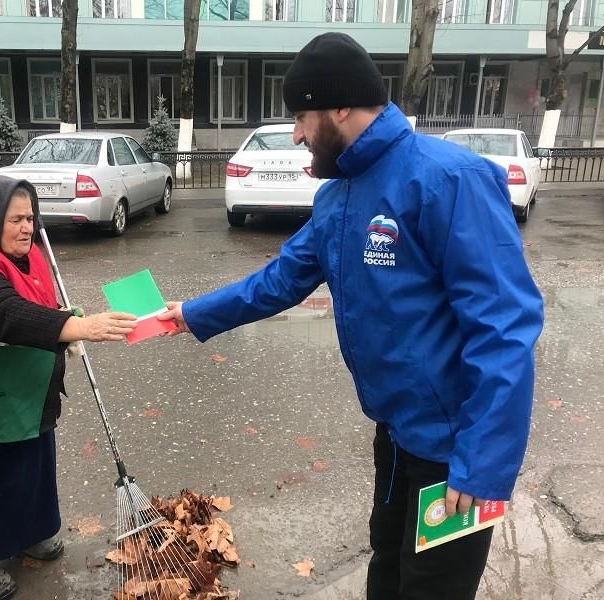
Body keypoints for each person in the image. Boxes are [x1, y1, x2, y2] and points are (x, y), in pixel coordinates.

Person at [158, 33, 544, 600]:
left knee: (432, 590)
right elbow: (281, 279)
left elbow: (505, 327)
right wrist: (192, 313)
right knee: (386, 565)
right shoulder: (339, 198)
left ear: (340, 106)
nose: (295, 134)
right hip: (395, 436)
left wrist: (482, 462)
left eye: (301, 116)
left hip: (457, 449)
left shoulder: (446, 179)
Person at [0, 175, 136, 599]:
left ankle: (29, 532)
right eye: (15, 219)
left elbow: (34, 302)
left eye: (31, 218)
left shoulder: (24, 253)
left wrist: (64, 321)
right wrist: (78, 327)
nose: (26, 228)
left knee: (26, 462)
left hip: (14, 387)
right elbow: (5, 313)